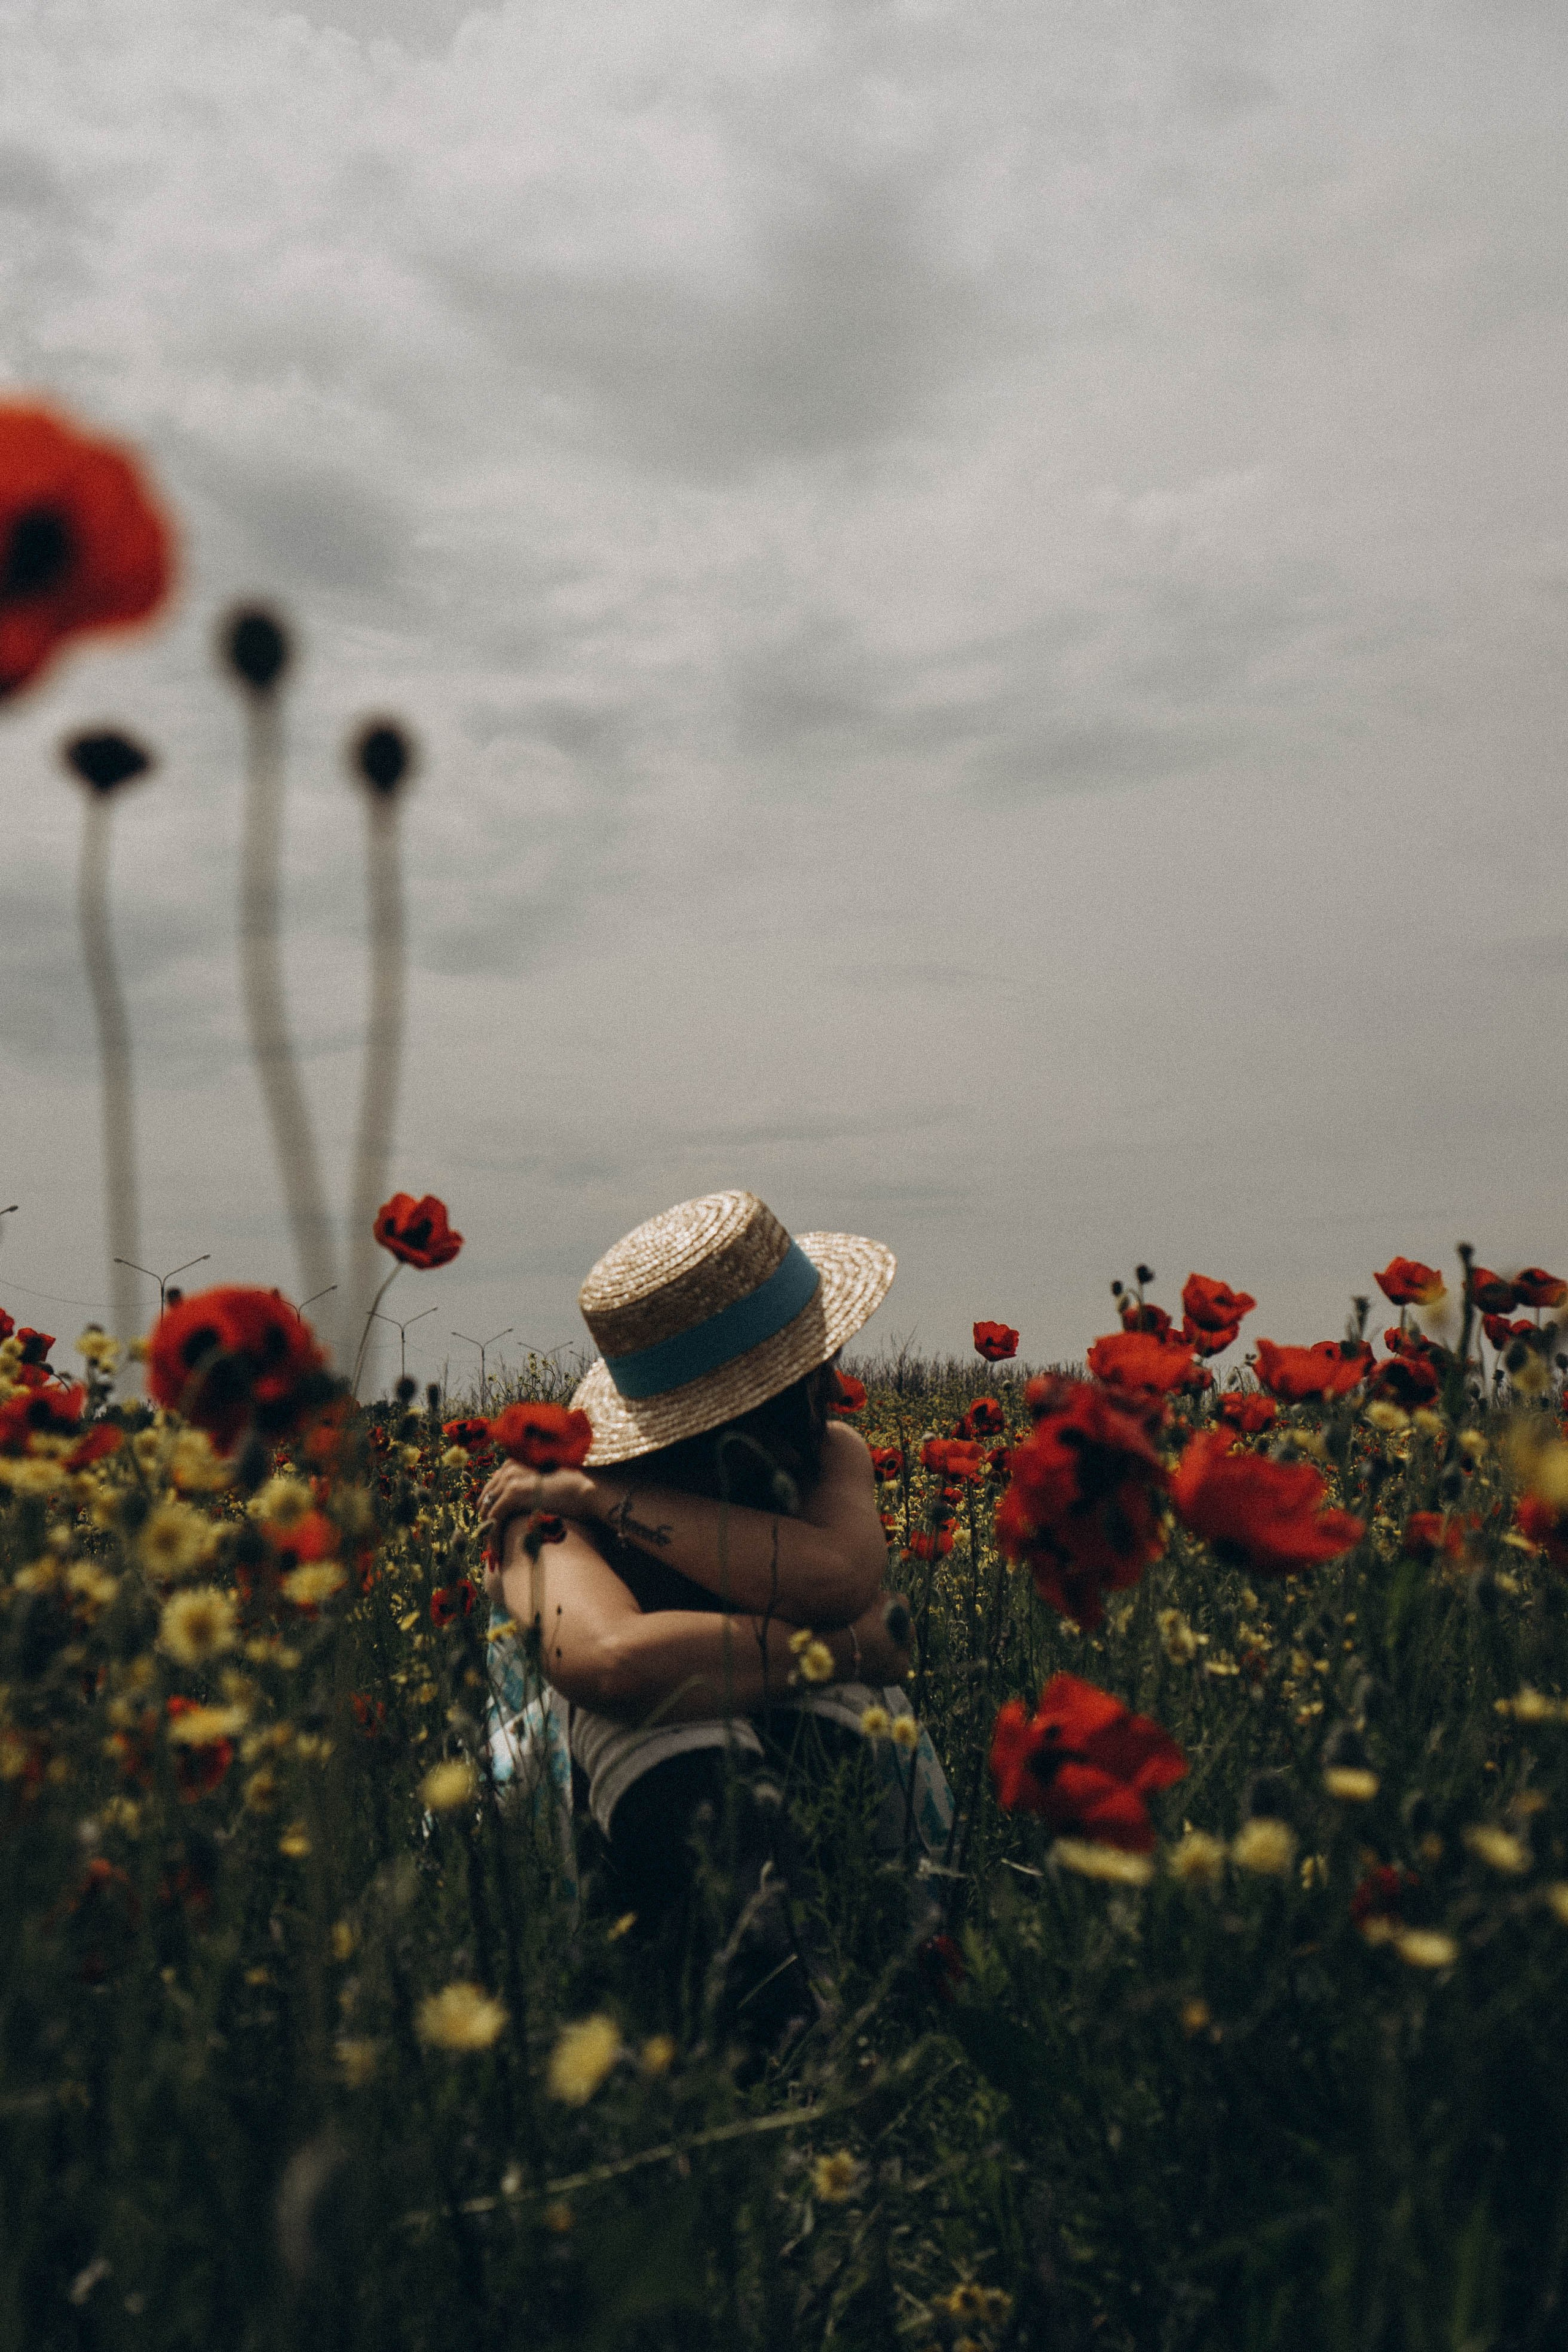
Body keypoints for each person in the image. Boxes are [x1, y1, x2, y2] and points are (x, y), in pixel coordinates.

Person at [477, 1189, 949, 2044]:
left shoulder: (825, 1453)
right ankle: (777, 2027)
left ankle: (862, 1983)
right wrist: (846, 1647)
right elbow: (612, 1662)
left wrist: (606, 1497)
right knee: (649, 1723)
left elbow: (839, 1572)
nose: (832, 1381)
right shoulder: (539, 1505)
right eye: (815, 1365)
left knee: (818, 1711)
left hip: (804, 1773)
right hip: (610, 1827)